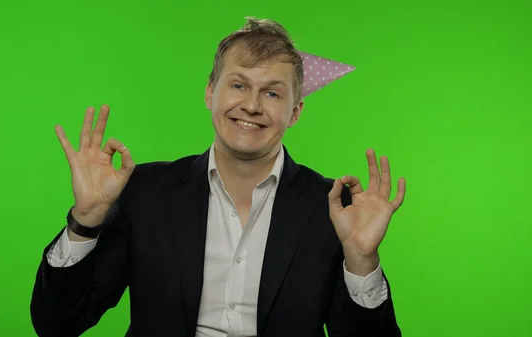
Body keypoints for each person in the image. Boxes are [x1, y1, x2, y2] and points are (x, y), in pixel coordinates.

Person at [30, 17, 406, 337]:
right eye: (239, 85)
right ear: (211, 93)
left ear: (295, 112)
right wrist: (86, 221)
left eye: (272, 93)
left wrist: (361, 260)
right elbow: (56, 323)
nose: (252, 105)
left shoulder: (332, 208)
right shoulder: (146, 192)